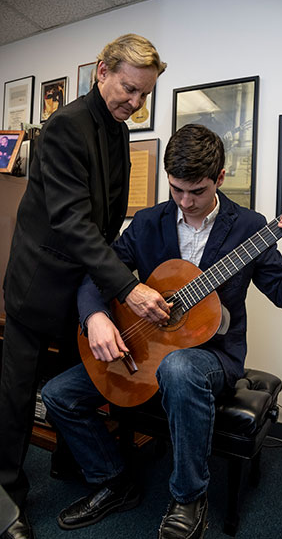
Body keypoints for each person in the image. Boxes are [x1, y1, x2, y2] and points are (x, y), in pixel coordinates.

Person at [42, 124, 282, 539]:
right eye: (176, 189)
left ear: (220, 178)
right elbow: (98, 275)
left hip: (210, 357)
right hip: (144, 344)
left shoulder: (251, 226)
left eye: (196, 191)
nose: (185, 201)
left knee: (179, 368)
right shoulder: (147, 222)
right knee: (58, 395)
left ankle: (189, 497)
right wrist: (96, 318)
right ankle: (115, 481)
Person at [0, 33, 168, 539]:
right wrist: (128, 287)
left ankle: (76, 471)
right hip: (40, 286)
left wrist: (104, 296)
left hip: (84, 290)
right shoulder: (64, 126)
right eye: (128, 88)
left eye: (144, 95)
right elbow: (73, 223)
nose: (135, 103)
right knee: (16, 395)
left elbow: (106, 223)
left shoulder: (117, 129)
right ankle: (6, 495)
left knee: (83, 385)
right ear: (102, 70)